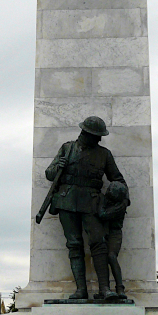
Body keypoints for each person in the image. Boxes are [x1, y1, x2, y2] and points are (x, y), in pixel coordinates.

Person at [45, 116, 127, 301]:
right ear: (86, 134)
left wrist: (123, 198)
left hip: (92, 203)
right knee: (74, 245)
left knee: (99, 243)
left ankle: (105, 289)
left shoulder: (104, 154)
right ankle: (81, 290)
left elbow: (118, 179)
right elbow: (49, 174)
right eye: (96, 136)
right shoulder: (67, 148)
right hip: (66, 201)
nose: (99, 139)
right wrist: (58, 166)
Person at [97, 180, 130, 299]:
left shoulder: (120, 206)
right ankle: (104, 289)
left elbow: (102, 214)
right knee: (101, 258)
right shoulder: (113, 201)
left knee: (111, 256)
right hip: (104, 232)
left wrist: (101, 200)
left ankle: (120, 288)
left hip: (114, 233)